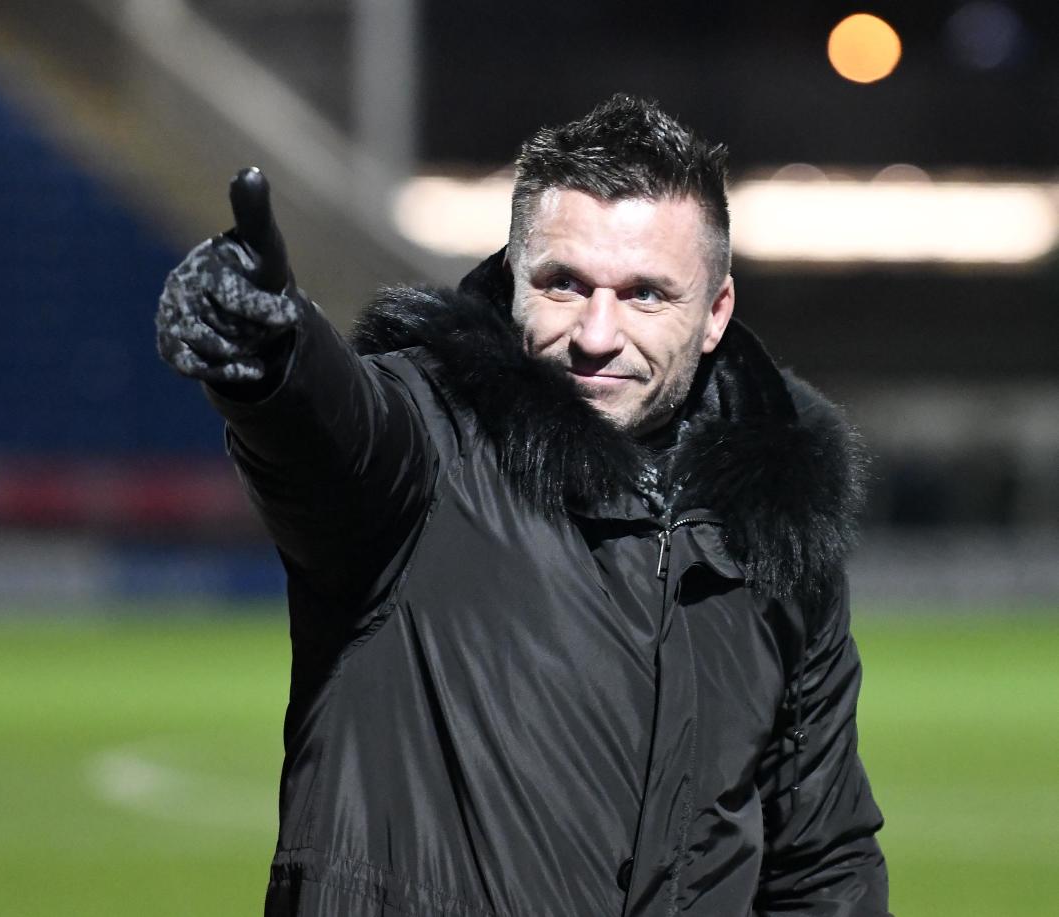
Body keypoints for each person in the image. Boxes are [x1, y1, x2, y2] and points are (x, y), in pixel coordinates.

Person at [156, 94, 890, 916]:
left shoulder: (778, 524)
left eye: (646, 294)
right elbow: (336, 433)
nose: (598, 333)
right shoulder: (430, 447)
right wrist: (273, 357)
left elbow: (823, 861)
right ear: (510, 278)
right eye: (565, 284)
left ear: (715, 313)